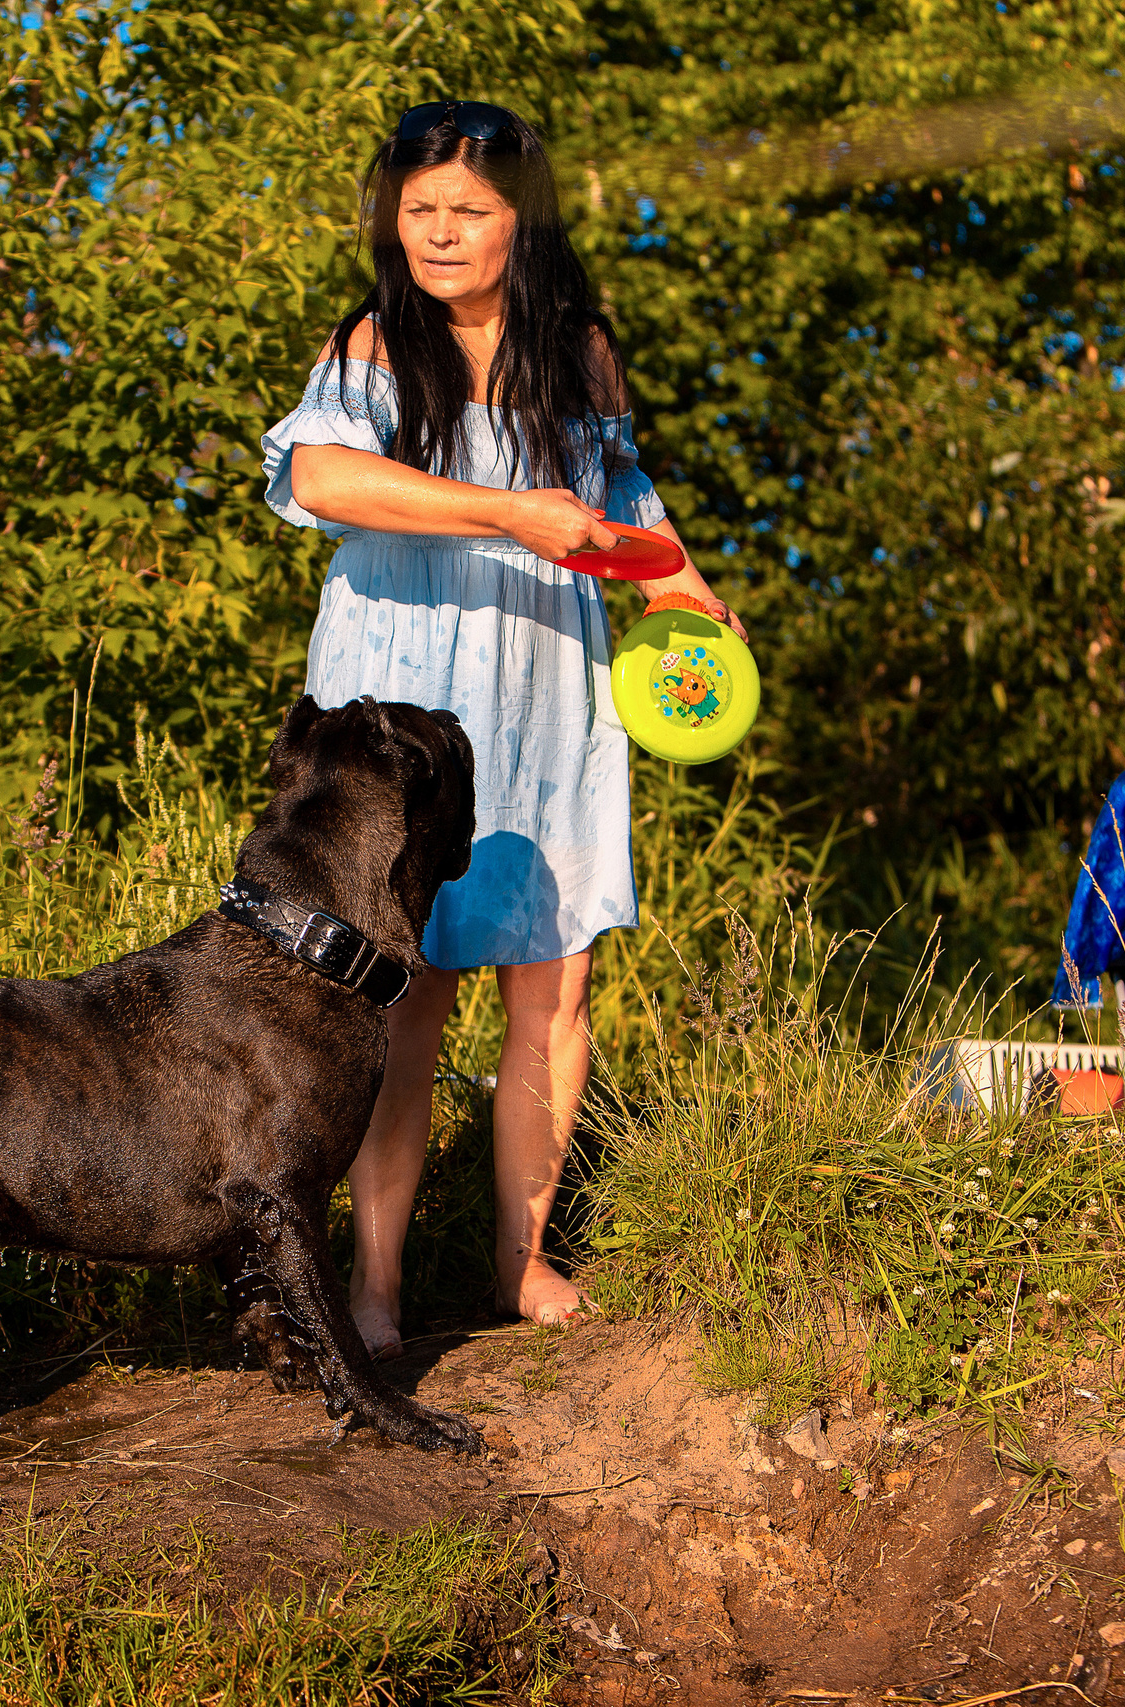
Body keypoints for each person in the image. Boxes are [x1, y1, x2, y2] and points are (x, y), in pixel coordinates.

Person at [257, 100, 747, 1358]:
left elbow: (619, 510)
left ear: (523, 218)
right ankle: (374, 1288)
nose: (437, 233)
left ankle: (521, 1266)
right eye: (417, 211)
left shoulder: (580, 357)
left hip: (545, 692)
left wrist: (687, 596)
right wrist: (502, 515)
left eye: (465, 212)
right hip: (404, 704)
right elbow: (321, 481)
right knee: (404, 992)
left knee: (555, 983)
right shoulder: (373, 344)